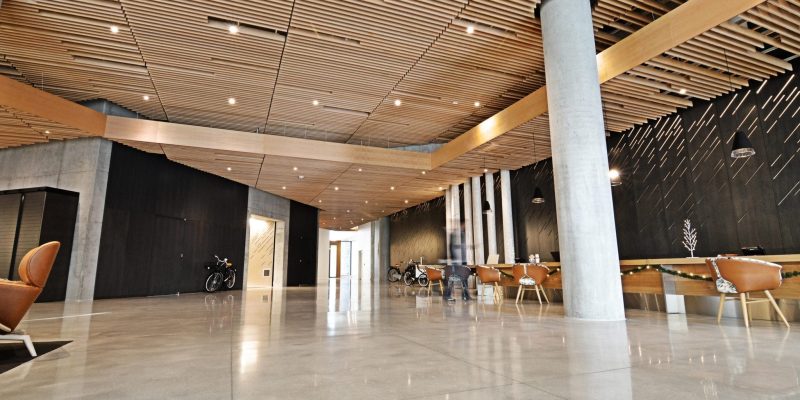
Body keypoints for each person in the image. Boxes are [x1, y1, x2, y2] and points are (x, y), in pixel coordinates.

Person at [444, 221, 472, 301]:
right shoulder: (455, 235)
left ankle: (465, 296)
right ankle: (463, 296)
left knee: (462, 278)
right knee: (453, 278)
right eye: (463, 225)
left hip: (459, 263)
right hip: (455, 263)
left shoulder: (460, 235)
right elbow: (454, 249)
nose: (464, 227)